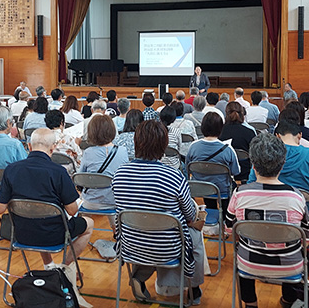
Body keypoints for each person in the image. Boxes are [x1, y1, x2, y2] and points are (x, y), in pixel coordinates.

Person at [112, 120, 205, 305]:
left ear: (136, 143)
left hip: (130, 245)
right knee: (194, 235)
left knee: (148, 231)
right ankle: (193, 287)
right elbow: (189, 215)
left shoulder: (119, 174)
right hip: (168, 248)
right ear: (164, 145)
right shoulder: (173, 176)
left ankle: (139, 277)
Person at [226, 132, 309, 308]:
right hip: (290, 265)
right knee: (293, 256)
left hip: (249, 263)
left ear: (253, 166)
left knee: (243, 259)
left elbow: (229, 230)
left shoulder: (240, 194)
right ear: (282, 164)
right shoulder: (296, 197)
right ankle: (288, 300)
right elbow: (307, 237)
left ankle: (250, 304)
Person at [0, 129, 94, 267]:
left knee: (38, 215)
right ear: (53, 148)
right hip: (54, 235)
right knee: (89, 223)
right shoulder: (59, 172)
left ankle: (49, 266)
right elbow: (72, 210)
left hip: (22, 233)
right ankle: (63, 268)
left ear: (29, 146)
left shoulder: (11, 169)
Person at [185, 111, 239, 212]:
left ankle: (211, 213)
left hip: (200, 187)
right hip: (221, 189)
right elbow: (235, 171)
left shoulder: (193, 146)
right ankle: (224, 217)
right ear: (220, 128)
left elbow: (188, 167)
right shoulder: (228, 149)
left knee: (208, 190)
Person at [79, 116, 128, 210]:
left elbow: (80, 178)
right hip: (116, 200)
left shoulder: (88, 152)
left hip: (91, 202)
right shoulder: (123, 151)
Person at [219, 102, 256, 181]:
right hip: (245, 173)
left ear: (226, 114)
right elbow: (255, 155)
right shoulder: (249, 132)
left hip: (222, 173)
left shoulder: (218, 131)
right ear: (242, 114)